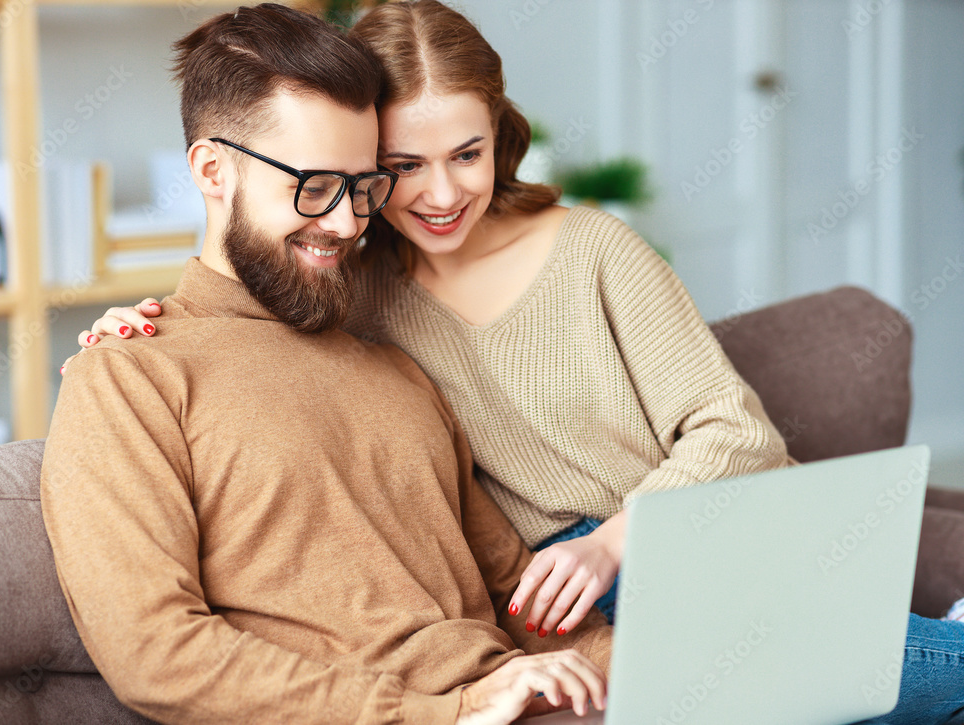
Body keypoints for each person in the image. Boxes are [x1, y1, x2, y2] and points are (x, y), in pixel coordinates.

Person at [69, 1, 964, 722]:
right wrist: (155, 320)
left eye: (465, 154)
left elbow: (717, 443)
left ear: (500, 136)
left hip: (675, 546)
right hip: (532, 623)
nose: (356, 216)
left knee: (854, 666)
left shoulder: (523, 279)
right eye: (393, 169)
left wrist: (631, 617)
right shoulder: (204, 346)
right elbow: (160, 647)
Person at [42, 6, 612, 724]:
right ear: (214, 170)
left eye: (363, 186)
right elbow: (157, 651)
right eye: (312, 186)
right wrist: (447, 711)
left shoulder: (395, 368)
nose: (346, 222)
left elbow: (523, 596)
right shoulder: (130, 377)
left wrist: (675, 672)